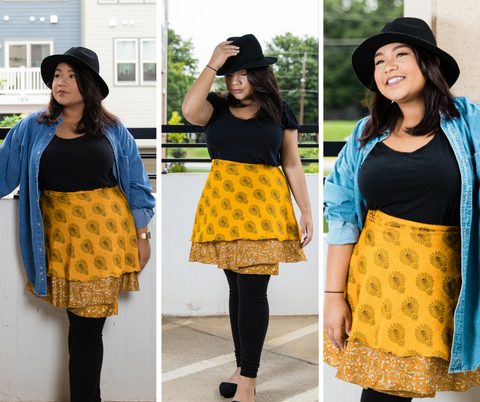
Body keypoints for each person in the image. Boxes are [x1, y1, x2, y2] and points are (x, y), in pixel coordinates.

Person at [323, 17, 480, 401]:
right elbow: (342, 215)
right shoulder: (364, 135)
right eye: (379, 61)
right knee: (380, 396)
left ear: (431, 63)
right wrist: (332, 295)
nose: (387, 65)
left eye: (400, 54)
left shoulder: (469, 122)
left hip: (441, 288)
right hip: (375, 285)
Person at [0, 47, 155, 402]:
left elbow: (136, 185)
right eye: (57, 75)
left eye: (72, 75)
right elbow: (3, 173)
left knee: (86, 330)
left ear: (89, 85)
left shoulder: (114, 129)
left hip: (107, 240)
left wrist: (142, 235)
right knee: (79, 328)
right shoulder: (30, 127)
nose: (62, 82)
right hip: (58, 242)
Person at [182, 34, 313, 402]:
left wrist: (305, 209)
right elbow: (190, 112)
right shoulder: (216, 106)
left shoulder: (279, 110)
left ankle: (249, 382)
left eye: (242, 74)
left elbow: (291, 162)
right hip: (223, 207)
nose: (235, 82)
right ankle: (241, 367)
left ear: (260, 74)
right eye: (229, 75)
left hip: (266, 207)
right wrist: (211, 62)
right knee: (236, 289)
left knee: (253, 292)